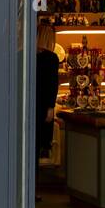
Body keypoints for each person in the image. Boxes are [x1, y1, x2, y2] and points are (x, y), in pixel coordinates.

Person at [34, 22, 60, 161]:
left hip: (31, 103)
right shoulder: (51, 58)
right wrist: (51, 107)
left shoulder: (26, 54)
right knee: (39, 148)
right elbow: (52, 85)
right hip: (43, 106)